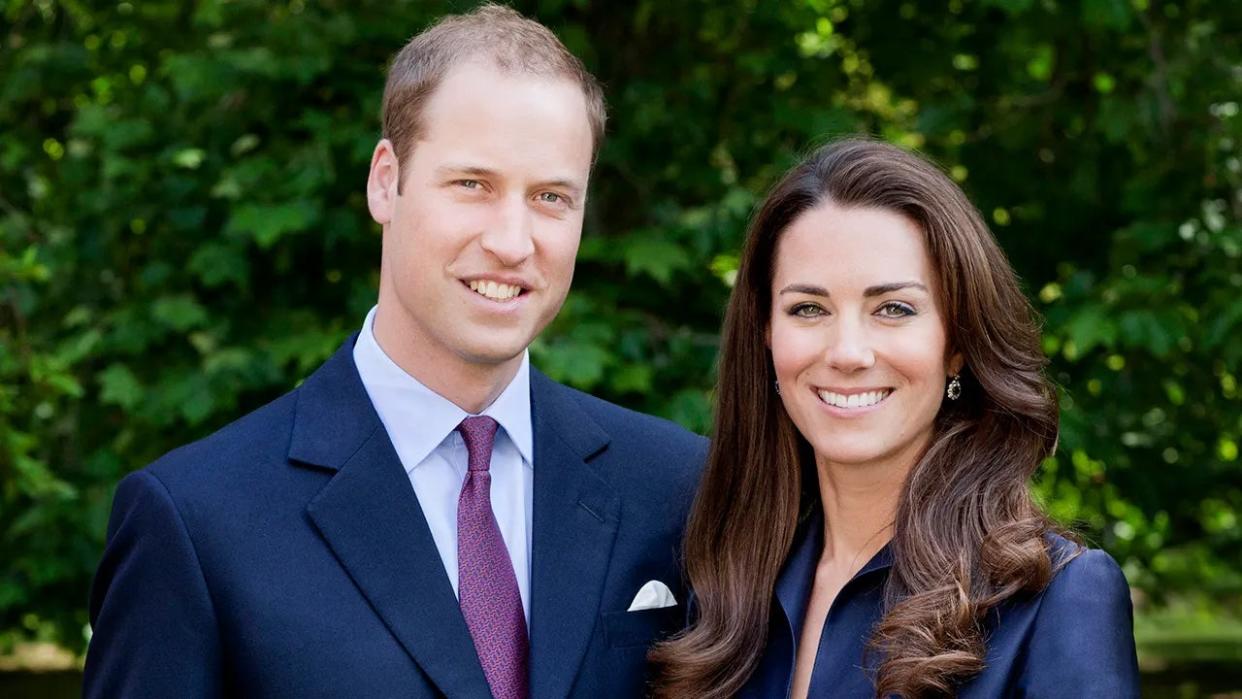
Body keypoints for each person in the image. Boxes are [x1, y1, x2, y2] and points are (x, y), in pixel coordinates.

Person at [84, 6, 706, 698]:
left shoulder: (678, 487)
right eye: (473, 184)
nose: (512, 239)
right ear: (387, 180)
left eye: (551, 196)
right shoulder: (196, 522)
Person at [649, 138, 1140, 698]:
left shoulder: (1057, 597)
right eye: (808, 308)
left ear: (957, 343)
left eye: (893, 309)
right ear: (766, 335)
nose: (848, 352)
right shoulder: (720, 590)